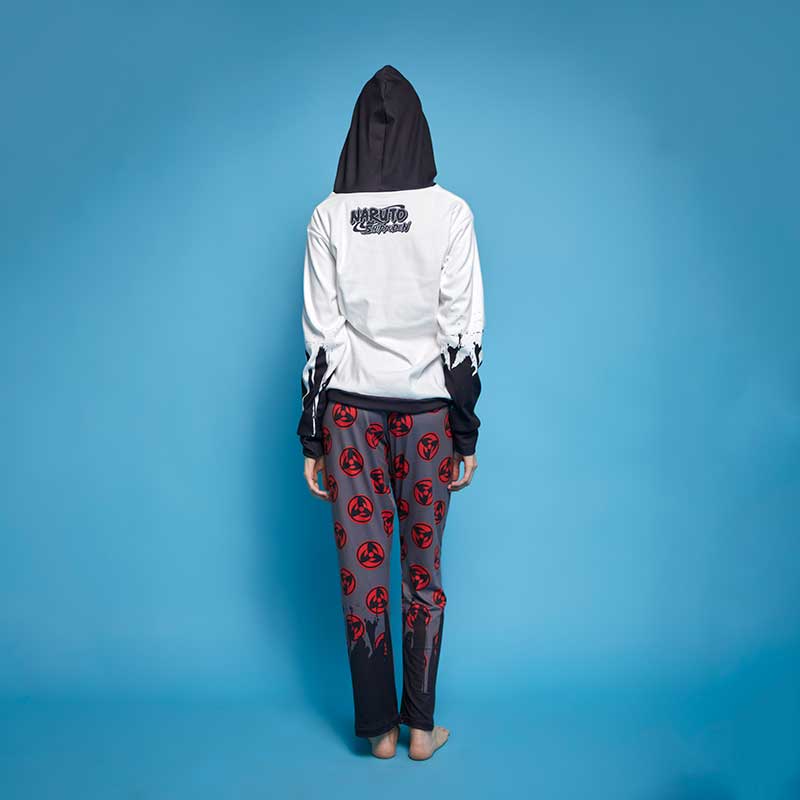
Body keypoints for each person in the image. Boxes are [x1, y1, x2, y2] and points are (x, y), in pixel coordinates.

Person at [297, 65, 484, 760]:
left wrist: (313, 435)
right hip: (429, 419)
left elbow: (322, 336)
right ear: (420, 133)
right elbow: (461, 331)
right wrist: (465, 430)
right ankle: (421, 730)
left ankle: (377, 730)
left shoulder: (328, 217)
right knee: (422, 571)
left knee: (363, 573)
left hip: (349, 417)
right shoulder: (451, 214)